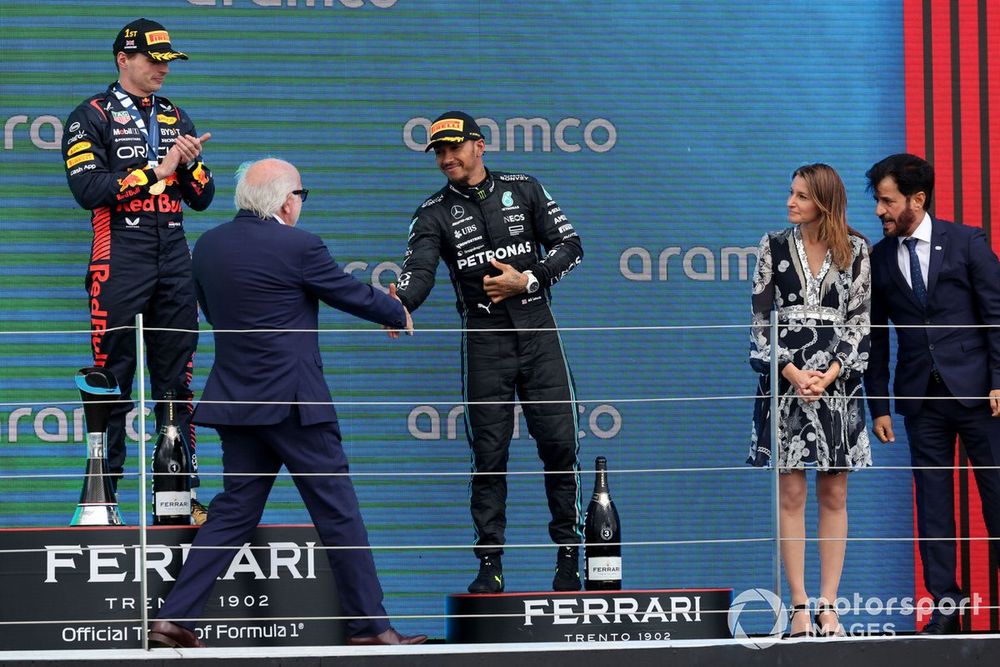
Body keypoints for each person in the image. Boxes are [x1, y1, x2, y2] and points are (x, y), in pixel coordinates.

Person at [148, 158, 425, 648]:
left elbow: (213, 311)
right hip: (295, 405)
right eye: (301, 194)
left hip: (237, 401)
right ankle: (372, 629)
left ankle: (175, 618)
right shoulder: (299, 245)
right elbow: (346, 293)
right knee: (338, 513)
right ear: (283, 201)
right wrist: (395, 310)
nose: (301, 202)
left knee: (233, 511)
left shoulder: (207, 247)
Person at [394, 111, 584, 593]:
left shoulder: (524, 187)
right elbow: (418, 272)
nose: (446, 158)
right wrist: (397, 302)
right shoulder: (432, 210)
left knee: (561, 448)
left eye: (453, 147)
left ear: (479, 145)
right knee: (489, 456)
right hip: (485, 341)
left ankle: (568, 560)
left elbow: (571, 245)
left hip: (539, 334)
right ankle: (489, 566)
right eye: (438, 152)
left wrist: (529, 278)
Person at [61, 18, 214, 522]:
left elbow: (203, 198)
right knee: (111, 376)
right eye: (153, 60)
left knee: (178, 378)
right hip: (118, 253)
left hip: (173, 251)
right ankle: (100, 500)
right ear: (123, 59)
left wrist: (189, 165)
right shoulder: (91, 115)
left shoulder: (176, 116)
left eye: (168, 60)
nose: (163, 69)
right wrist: (158, 170)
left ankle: (176, 496)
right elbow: (89, 189)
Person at [863, 153, 1000, 635]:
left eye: (887, 200)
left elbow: (996, 313)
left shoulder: (966, 242)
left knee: (997, 496)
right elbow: (875, 337)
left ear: (917, 200)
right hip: (921, 401)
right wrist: (877, 405)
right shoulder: (878, 258)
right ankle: (946, 601)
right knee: (934, 505)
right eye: (878, 200)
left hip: (982, 396)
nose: (879, 210)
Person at [749, 163, 872, 637]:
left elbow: (861, 324)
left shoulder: (857, 250)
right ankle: (799, 604)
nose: (789, 202)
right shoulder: (773, 246)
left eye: (800, 196)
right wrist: (795, 373)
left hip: (837, 388)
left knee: (834, 492)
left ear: (823, 202)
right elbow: (760, 323)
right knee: (792, 491)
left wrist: (831, 373)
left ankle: (829, 605)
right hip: (786, 384)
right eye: (790, 193)